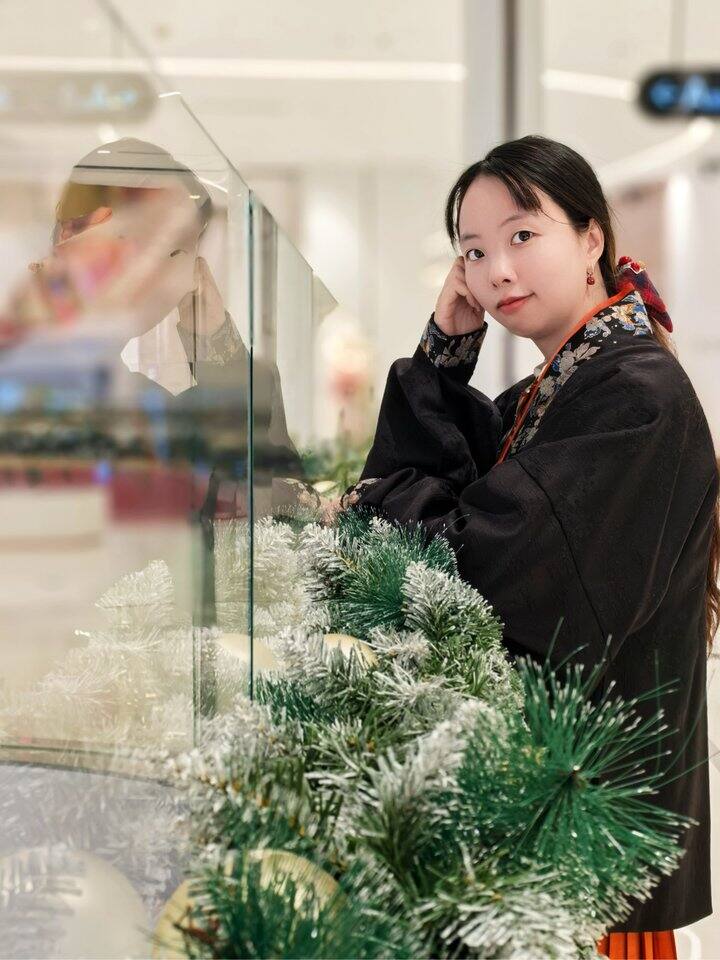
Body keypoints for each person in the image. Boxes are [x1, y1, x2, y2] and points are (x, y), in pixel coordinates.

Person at [338, 134, 720, 956]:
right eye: (473, 251)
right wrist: (445, 348)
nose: (497, 271)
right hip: (550, 816)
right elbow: (428, 489)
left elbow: (480, 573)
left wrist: (383, 504)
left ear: (590, 239)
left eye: (521, 235)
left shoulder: (634, 398)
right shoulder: (563, 386)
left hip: (584, 832)